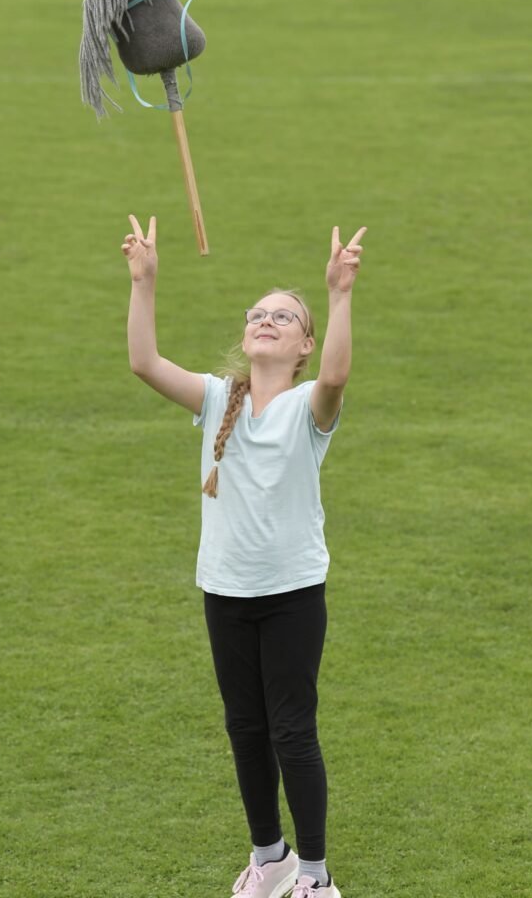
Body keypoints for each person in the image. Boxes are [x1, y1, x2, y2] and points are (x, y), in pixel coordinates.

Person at [121, 214, 367, 898]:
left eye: (282, 317)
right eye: (257, 314)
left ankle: (314, 877)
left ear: (301, 346)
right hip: (224, 591)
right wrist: (144, 282)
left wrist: (338, 292)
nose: (265, 320)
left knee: (292, 730)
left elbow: (340, 373)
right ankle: (271, 858)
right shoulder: (216, 398)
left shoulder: (307, 409)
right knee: (244, 728)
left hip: (290, 593)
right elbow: (143, 362)